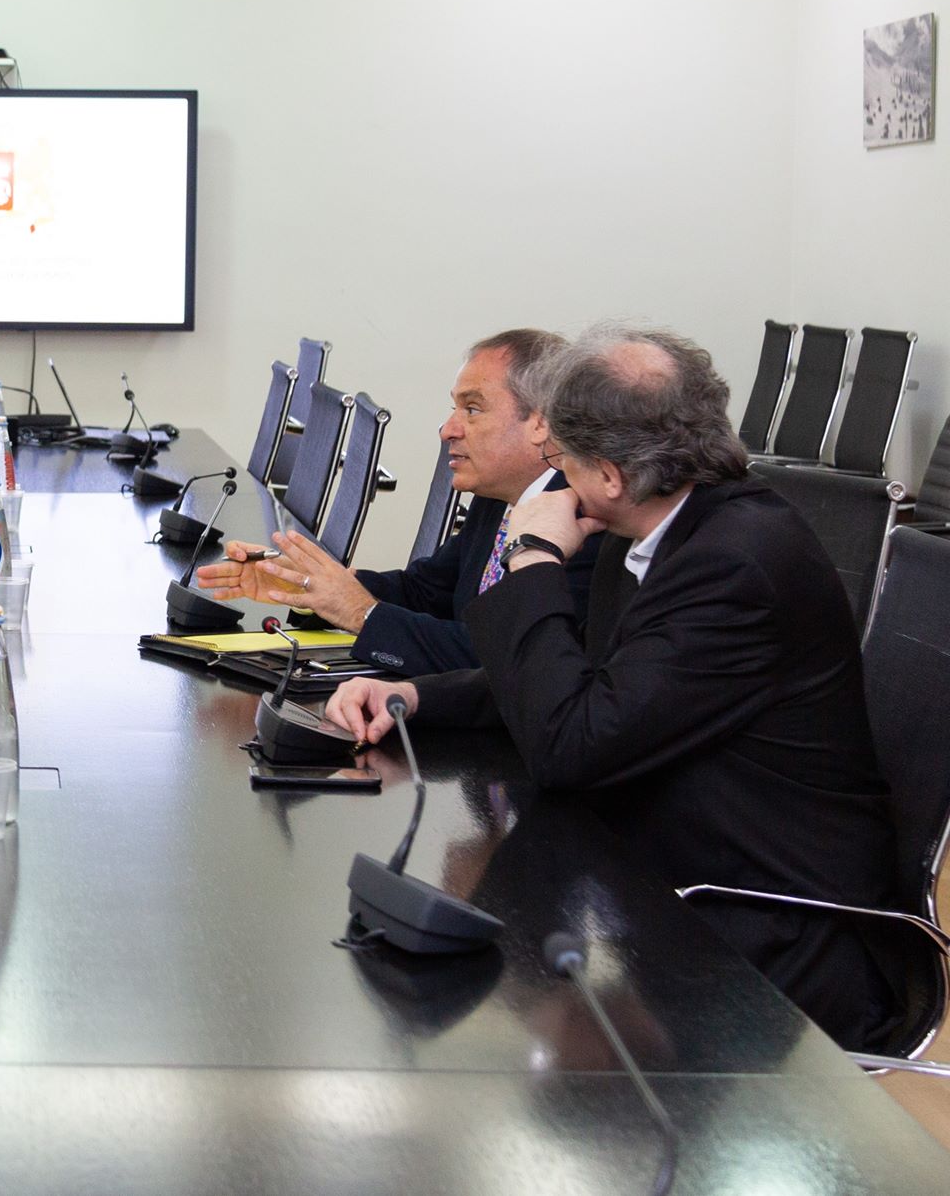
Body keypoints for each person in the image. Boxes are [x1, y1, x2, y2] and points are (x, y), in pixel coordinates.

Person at [323, 326, 913, 1051]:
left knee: (486, 987)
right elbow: (584, 681)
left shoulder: (734, 564)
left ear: (607, 475)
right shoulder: (659, 526)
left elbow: (569, 744)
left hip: (770, 932)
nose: (555, 482)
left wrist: (533, 557)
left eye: (561, 462)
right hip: (667, 875)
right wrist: (416, 697)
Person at [197, 329, 599, 675]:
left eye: (472, 409)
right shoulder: (501, 497)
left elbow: (504, 660)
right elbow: (425, 592)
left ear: (541, 423)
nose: (447, 429)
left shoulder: (582, 524)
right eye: (455, 407)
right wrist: (306, 586)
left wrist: (363, 614)